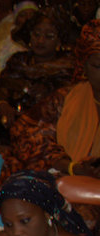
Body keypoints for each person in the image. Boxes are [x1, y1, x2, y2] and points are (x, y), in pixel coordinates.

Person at [9, 19, 100, 177]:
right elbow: (23, 132)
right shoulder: (65, 98)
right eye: (97, 66)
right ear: (83, 65)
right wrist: (70, 167)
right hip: (63, 183)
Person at [0, 9, 74, 144]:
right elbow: (0, 92)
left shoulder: (68, 68)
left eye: (49, 36)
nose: (40, 40)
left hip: (48, 134)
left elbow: (67, 108)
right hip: (7, 129)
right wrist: (2, 105)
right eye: (36, 34)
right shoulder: (17, 61)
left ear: (59, 41)